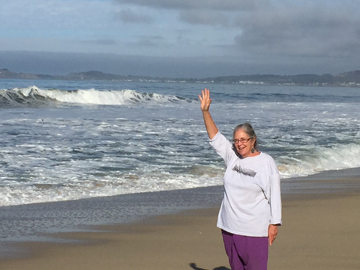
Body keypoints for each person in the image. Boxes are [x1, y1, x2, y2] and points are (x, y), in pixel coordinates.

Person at [199, 88, 282, 270]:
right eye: (236, 140)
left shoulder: (266, 162)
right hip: (229, 227)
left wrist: (274, 224)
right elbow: (215, 137)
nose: (240, 144)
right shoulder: (233, 156)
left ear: (253, 140)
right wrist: (205, 112)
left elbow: (274, 195)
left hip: (254, 230)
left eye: (244, 139)